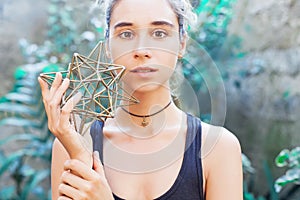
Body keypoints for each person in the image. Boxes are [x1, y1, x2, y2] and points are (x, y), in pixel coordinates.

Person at [38, 0, 243, 199]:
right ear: (108, 46)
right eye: (126, 34)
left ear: (181, 43)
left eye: (159, 33)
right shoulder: (72, 144)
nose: (142, 51)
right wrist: (80, 156)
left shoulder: (218, 148)